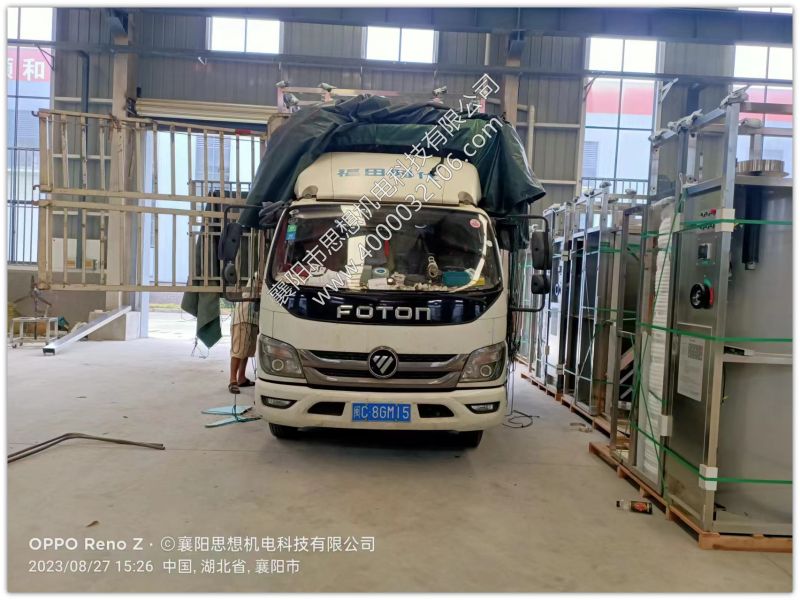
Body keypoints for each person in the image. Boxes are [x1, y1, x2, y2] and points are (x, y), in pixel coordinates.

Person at [229, 294, 259, 394]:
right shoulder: (252, 285)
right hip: (243, 317)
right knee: (238, 350)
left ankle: (241, 378)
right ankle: (232, 381)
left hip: (253, 318)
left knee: (245, 351)